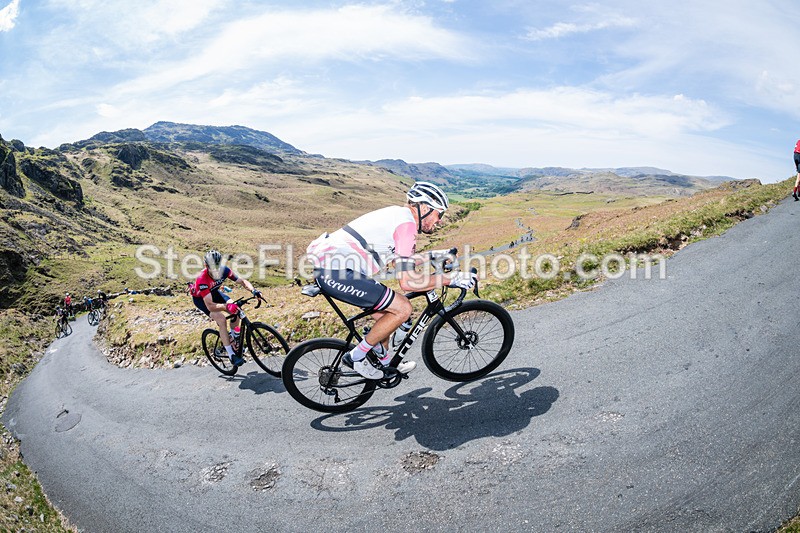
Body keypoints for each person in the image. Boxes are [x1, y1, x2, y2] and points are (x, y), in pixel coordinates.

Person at [306, 181, 477, 380]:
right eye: (439, 214)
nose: (439, 221)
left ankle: (385, 363)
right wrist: (452, 278)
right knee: (403, 308)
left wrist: (434, 254)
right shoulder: (406, 225)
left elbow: (402, 262)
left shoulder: (399, 216)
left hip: (336, 270)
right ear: (424, 208)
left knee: (386, 317)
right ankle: (356, 357)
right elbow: (407, 282)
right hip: (337, 272)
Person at [190, 250, 261, 367]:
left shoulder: (225, 270)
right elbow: (210, 305)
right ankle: (231, 354)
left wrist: (253, 290)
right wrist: (226, 306)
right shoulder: (202, 279)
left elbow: (242, 281)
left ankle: (233, 337)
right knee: (221, 319)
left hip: (215, 292)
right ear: (206, 266)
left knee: (237, 310)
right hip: (201, 300)